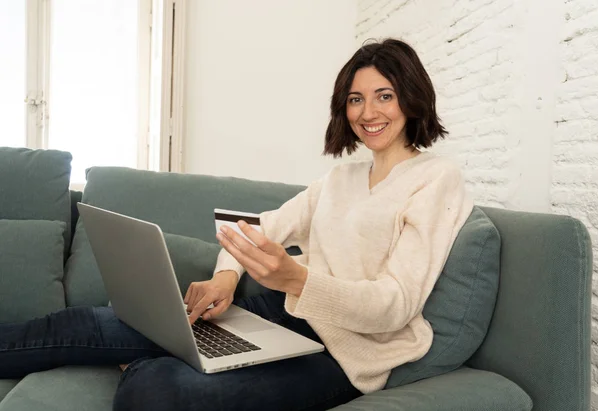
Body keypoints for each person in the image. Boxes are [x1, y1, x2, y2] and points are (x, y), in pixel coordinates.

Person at [0, 38, 473, 411]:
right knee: (91, 322)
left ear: (411, 98)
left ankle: (149, 360)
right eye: (355, 99)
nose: (367, 113)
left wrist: (297, 279)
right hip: (284, 314)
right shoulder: (341, 178)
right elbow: (256, 226)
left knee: (158, 394)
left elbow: (394, 306)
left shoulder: (436, 180)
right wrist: (226, 276)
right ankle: (154, 348)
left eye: (383, 96)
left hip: (343, 356)